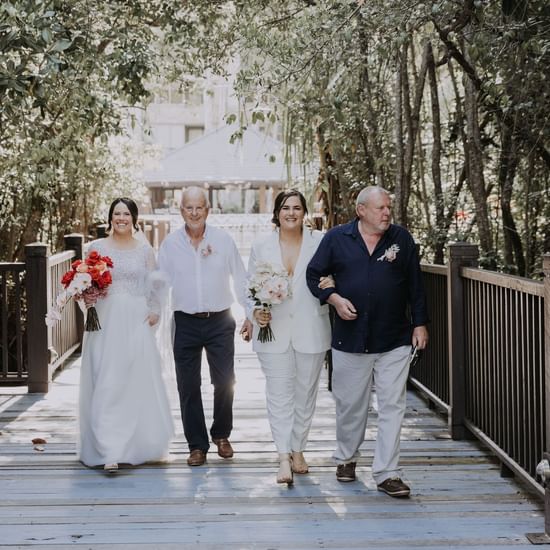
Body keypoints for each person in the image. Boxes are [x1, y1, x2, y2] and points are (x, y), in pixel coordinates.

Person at [306, 186, 429, 498]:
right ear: (361, 210)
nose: (386, 213)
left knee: (392, 405)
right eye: (380, 208)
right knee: (351, 406)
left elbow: (415, 285)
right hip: (350, 340)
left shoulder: (401, 239)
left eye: (388, 207)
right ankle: (346, 458)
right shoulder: (336, 238)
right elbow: (313, 274)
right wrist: (333, 299)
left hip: (395, 338)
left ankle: (388, 473)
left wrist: (420, 324)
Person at [78, 197, 174, 472]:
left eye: (126, 214)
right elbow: (85, 283)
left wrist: (155, 309)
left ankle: (135, 445)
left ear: (134, 218)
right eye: (116, 213)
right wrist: (86, 295)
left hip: (135, 319)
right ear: (110, 218)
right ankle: (109, 449)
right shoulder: (95, 248)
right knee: (107, 379)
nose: (121, 218)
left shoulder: (144, 250)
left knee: (134, 380)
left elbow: (155, 285)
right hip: (106, 321)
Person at [158, 186, 250, 467]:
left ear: (208, 210)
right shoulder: (170, 244)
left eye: (199, 207)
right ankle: (196, 445)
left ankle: (221, 434)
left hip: (221, 319)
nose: (194, 213)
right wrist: (150, 312)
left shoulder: (223, 240)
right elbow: (160, 284)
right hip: (185, 321)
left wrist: (249, 312)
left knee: (224, 381)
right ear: (181, 210)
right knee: (188, 385)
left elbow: (241, 278)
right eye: (189, 207)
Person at [247, 190, 332, 485]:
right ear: (277, 212)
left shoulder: (321, 242)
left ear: (304, 212)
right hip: (273, 330)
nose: (291, 213)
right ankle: (283, 456)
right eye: (286, 207)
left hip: (311, 327)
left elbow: (335, 276)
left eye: (297, 208)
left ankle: (298, 449)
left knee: (305, 394)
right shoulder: (261, 246)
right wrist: (256, 312)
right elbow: (251, 288)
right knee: (279, 394)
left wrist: (332, 283)